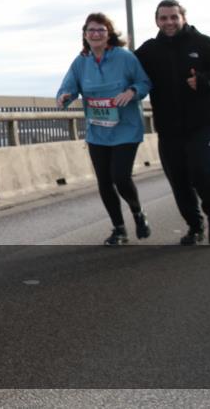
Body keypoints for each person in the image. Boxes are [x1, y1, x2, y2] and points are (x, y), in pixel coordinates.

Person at [135, 0, 210, 245]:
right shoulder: (149, 50)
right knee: (179, 181)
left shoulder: (204, 44)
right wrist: (93, 52)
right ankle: (195, 226)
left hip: (204, 124)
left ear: (183, 18)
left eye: (174, 17)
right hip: (169, 129)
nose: (169, 22)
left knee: (203, 172)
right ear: (157, 21)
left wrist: (205, 80)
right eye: (163, 18)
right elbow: (124, 66)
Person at [57, 13, 153, 245]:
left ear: (109, 34)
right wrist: (64, 97)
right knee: (104, 181)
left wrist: (131, 91)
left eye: (101, 30)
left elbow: (144, 82)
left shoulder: (125, 57)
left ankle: (137, 212)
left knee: (120, 177)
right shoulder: (81, 62)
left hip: (126, 129)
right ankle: (119, 229)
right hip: (98, 131)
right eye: (91, 30)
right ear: (85, 35)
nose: (96, 34)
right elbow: (68, 88)